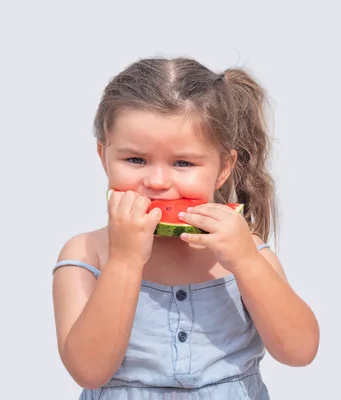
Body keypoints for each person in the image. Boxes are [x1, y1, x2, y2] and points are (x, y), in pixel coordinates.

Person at [51, 56, 320, 399]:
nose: (158, 181)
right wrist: (124, 261)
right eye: (135, 159)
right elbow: (89, 371)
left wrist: (247, 262)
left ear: (224, 167)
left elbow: (300, 352)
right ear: (103, 156)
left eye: (183, 163)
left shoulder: (243, 249)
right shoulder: (85, 253)